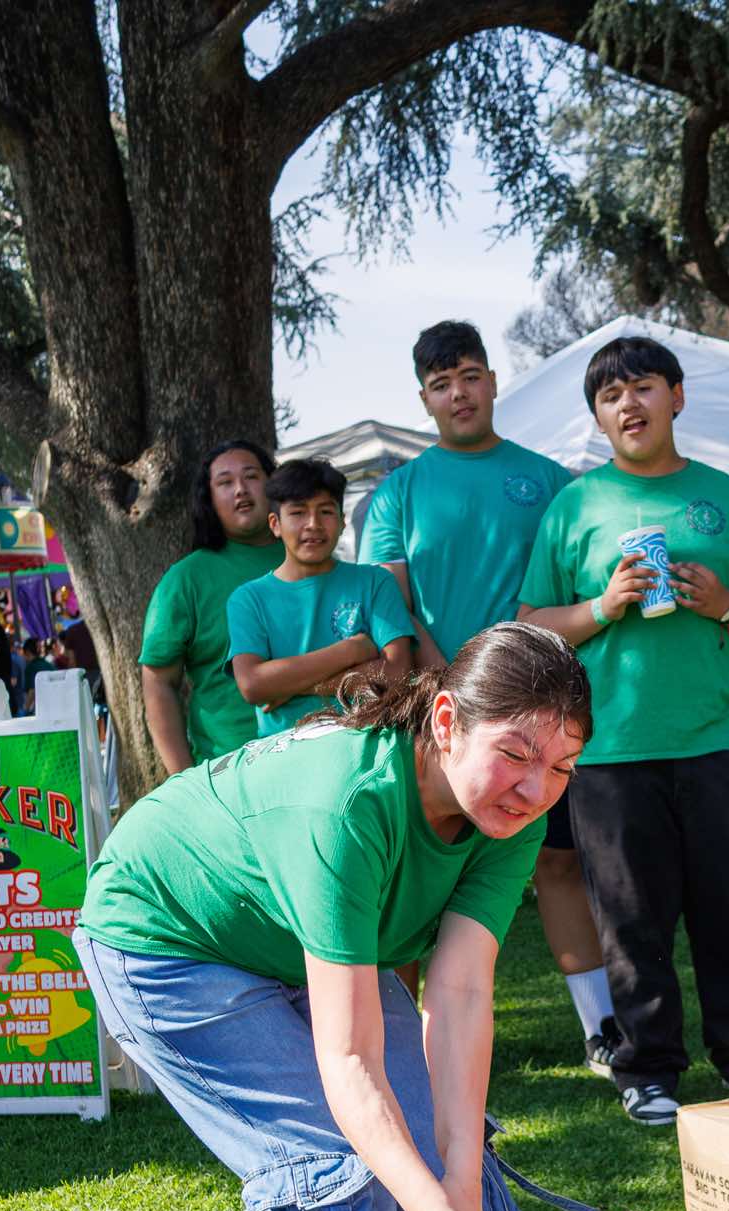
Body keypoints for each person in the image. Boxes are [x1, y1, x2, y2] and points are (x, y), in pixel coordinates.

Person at [74, 621, 589, 1211]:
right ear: (445, 722)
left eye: (562, 766)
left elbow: (460, 993)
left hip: (289, 940)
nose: (535, 786)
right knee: (337, 1175)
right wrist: (423, 1201)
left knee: (449, 1176)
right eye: (515, 754)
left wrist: (453, 1187)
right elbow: (349, 1060)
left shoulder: (511, 812)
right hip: (167, 940)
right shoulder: (344, 805)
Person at [519, 334, 729, 1125]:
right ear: (598, 419)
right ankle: (646, 1069)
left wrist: (725, 606)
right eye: (610, 396)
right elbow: (532, 622)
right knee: (631, 924)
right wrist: (603, 606)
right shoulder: (574, 506)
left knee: (726, 916)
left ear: (676, 397)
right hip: (611, 750)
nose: (628, 405)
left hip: (717, 741)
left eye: (642, 387)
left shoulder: (722, 495)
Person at [359, 319, 618, 1075]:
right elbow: (390, 606)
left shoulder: (549, 481)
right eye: (440, 384)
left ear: (493, 382)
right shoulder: (397, 494)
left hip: (542, 717)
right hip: (438, 716)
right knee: (413, 883)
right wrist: (455, 681)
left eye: (469, 376)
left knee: (556, 865)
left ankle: (601, 1029)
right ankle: (404, 1050)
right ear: (424, 399)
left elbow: (574, 588)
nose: (458, 394)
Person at [228, 458, 415, 734]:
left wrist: (297, 686)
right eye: (298, 512)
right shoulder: (248, 599)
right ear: (275, 524)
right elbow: (253, 685)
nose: (313, 524)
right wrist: (351, 651)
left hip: (366, 744)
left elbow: (397, 674)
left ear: (342, 521)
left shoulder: (375, 581)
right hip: (285, 751)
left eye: (325, 511)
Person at [140, 439, 281, 771]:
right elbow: (158, 683)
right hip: (229, 770)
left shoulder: (310, 559)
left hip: (318, 758)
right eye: (225, 482)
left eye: (251, 476)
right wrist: (184, 780)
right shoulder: (186, 579)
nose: (240, 489)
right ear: (209, 499)